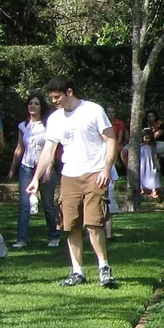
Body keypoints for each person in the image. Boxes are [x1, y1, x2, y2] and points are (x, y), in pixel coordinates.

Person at [29, 77, 118, 288]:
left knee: (94, 223)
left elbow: (111, 139)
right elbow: (48, 151)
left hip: (95, 173)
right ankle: (77, 271)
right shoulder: (55, 119)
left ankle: (104, 268)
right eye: (52, 98)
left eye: (57, 97)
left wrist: (106, 169)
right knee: (70, 225)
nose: (54, 101)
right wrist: (35, 178)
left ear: (69, 92)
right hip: (69, 176)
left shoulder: (93, 111)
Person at [9, 94, 60, 249]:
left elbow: (52, 149)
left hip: (45, 168)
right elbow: (20, 148)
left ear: (41, 106)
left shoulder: (47, 125)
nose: (32, 106)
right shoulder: (23, 126)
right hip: (26, 167)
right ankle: (22, 239)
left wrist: (49, 168)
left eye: (36, 104)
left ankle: (54, 236)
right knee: (24, 204)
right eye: (30, 103)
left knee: (48, 203)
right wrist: (12, 168)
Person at [138, 109, 164, 201]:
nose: (147, 140)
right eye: (145, 138)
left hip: (151, 163)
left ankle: (154, 191)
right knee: (141, 174)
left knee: (153, 175)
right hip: (142, 164)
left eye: (148, 138)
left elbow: (154, 155)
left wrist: (157, 163)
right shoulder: (140, 146)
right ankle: (142, 188)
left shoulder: (152, 146)